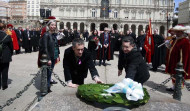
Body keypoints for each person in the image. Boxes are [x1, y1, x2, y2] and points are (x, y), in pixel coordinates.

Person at [165, 25, 190, 91]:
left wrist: (182, 65)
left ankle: (178, 88)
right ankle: (174, 86)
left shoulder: (185, 41)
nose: (176, 33)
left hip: (179, 62)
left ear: (181, 32)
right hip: (173, 60)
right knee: (173, 74)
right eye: (176, 32)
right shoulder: (176, 39)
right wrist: (168, 46)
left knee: (178, 75)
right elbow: (172, 48)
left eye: (178, 32)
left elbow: (186, 55)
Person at [38, 20, 60, 92]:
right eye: (52, 25)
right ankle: (46, 87)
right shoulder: (46, 35)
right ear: (48, 26)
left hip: (54, 55)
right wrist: (48, 59)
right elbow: (45, 48)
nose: (53, 26)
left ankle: (47, 86)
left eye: (54, 25)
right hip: (49, 57)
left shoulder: (53, 34)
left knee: (50, 72)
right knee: (48, 73)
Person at [0, 23, 13, 90]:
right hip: (5, 56)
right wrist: (10, 54)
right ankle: (4, 85)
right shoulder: (7, 36)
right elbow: (11, 47)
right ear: (3, 29)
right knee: (5, 71)